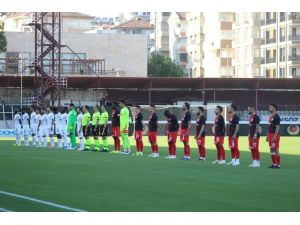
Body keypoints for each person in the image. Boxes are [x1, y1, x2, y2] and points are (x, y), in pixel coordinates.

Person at [267, 104, 281, 169]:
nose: (269, 108)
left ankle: (278, 165)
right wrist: (267, 135)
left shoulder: (276, 117)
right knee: (271, 149)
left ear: (274, 108)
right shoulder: (271, 116)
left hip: (274, 135)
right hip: (270, 134)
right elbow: (269, 126)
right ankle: (274, 163)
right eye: (269, 107)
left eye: (271, 107)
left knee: (276, 149)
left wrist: (274, 137)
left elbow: (277, 127)